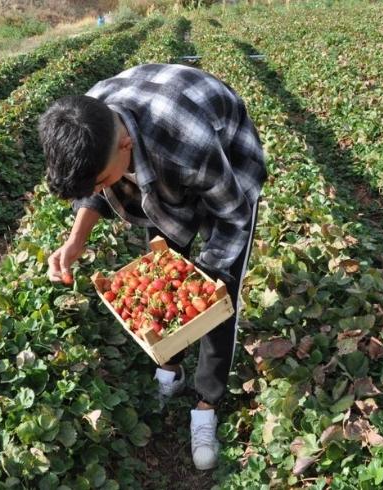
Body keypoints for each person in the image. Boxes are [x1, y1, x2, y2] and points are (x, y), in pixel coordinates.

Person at [38, 64, 266, 471]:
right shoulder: (88, 121)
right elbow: (95, 184)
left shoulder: (185, 146)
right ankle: (170, 366)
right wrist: (76, 240)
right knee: (164, 266)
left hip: (226, 160)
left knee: (216, 297)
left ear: (125, 144)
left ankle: (206, 403)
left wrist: (204, 279)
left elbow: (234, 216)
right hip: (159, 148)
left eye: (104, 179)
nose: (98, 190)